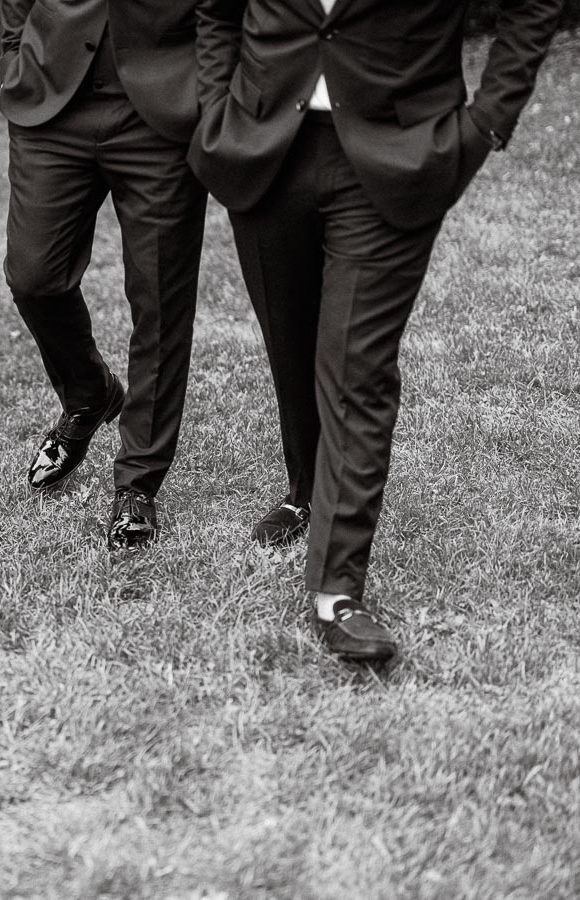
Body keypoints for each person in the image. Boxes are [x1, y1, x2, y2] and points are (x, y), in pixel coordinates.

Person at [190, 0, 564, 660]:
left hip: (397, 150)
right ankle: (306, 490)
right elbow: (217, 10)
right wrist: (216, 105)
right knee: (292, 342)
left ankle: (336, 592)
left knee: (354, 368)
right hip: (263, 143)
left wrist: (488, 120)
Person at [0, 0, 207, 550]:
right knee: (33, 276)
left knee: (160, 299)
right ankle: (90, 394)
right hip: (50, 102)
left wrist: (206, 89)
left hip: (163, 110)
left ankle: (138, 482)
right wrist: (17, 55)